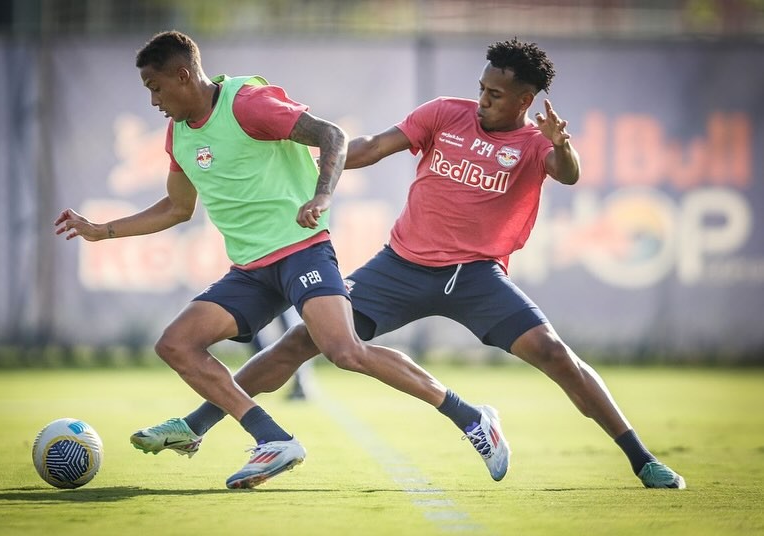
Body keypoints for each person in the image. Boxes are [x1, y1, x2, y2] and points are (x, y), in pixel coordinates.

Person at [157, 38, 686, 489]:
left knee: (554, 353)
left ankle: (643, 459)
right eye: (481, 88)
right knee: (302, 343)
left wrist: (563, 146)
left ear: (526, 100)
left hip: (476, 276)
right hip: (400, 268)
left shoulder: (532, 143)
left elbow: (566, 173)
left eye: (496, 95)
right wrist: (297, 151)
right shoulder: (443, 113)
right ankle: (199, 425)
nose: (482, 100)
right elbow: (369, 147)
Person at [54, 30, 509, 489]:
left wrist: (322, 195)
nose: (153, 100)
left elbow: (332, 135)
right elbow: (177, 208)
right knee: (176, 344)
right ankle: (272, 439)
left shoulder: (247, 103)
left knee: (344, 350)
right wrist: (104, 230)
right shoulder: (178, 135)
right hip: (250, 272)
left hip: (301, 252)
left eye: (155, 87)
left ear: (183, 75)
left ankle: (471, 418)